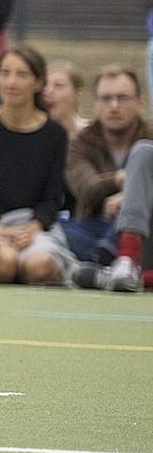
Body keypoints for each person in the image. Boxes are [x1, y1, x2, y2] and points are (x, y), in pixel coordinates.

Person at [0, 45, 72, 285]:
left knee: (38, 266)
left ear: (38, 82)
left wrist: (32, 228)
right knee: (4, 263)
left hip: (34, 227)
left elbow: (52, 197)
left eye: (21, 75)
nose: (11, 82)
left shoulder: (55, 134)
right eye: (5, 73)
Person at [63, 65, 153, 291]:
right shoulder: (80, 143)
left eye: (122, 98)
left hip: (146, 231)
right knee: (58, 230)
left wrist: (130, 197)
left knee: (143, 151)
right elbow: (86, 190)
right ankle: (126, 273)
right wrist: (122, 180)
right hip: (94, 228)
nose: (114, 106)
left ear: (140, 100)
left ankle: (123, 264)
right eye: (106, 99)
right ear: (96, 103)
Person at [43, 61, 88, 137]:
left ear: (77, 94)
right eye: (44, 85)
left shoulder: (91, 135)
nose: (48, 91)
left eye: (58, 85)